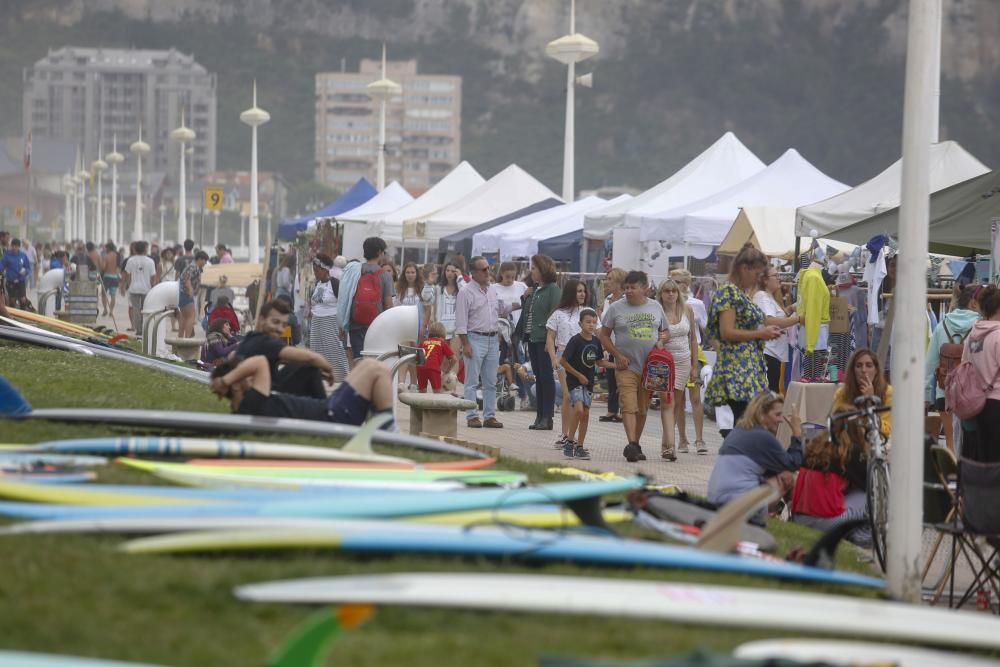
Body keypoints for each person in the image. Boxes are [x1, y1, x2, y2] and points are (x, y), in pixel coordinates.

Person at [705, 244, 780, 437]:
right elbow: (727, 332)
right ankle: (736, 459)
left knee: (748, 425)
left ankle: (736, 459)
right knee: (748, 425)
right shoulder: (728, 293)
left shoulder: (739, 294)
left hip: (747, 370)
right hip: (737, 371)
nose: (758, 280)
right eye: (757, 274)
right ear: (744, 268)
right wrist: (761, 334)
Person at [598, 270, 670, 463]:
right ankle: (632, 443)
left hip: (651, 367)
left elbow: (665, 332)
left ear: (644, 289)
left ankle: (635, 444)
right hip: (626, 366)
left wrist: (662, 340)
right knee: (628, 405)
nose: (628, 291)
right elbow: (603, 335)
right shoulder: (616, 308)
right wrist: (617, 355)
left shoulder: (656, 307)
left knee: (642, 409)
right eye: (626, 287)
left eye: (633, 287)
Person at [210, 355, 393, 428]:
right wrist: (225, 380)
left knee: (368, 364)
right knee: (378, 370)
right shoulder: (249, 404)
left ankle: (383, 427)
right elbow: (260, 362)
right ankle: (388, 431)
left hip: (329, 408)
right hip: (333, 417)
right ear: (235, 384)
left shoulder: (245, 405)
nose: (250, 376)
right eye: (243, 375)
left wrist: (227, 380)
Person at [707, 391, 804, 518]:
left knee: (779, 473)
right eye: (777, 415)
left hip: (717, 499)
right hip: (739, 505)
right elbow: (794, 463)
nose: (781, 420)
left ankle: (777, 514)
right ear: (761, 414)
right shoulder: (762, 436)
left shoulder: (739, 430)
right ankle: (799, 520)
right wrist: (797, 432)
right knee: (790, 477)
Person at [234, 298, 334, 399]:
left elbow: (294, 359)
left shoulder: (251, 337)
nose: (280, 329)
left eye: (284, 325)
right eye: (275, 322)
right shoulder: (265, 342)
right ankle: (326, 411)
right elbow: (312, 357)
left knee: (305, 366)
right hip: (264, 398)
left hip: (260, 391)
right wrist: (329, 369)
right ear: (262, 319)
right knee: (310, 368)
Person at [455, 256, 513, 428]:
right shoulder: (466, 292)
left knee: (490, 381)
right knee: (471, 381)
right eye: (484, 269)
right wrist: (465, 344)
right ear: (473, 273)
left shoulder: (492, 290)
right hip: (474, 338)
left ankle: (489, 416)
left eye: (488, 268)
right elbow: (461, 322)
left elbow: (502, 309)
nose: (488, 272)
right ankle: (472, 415)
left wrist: (522, 301)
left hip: (493, 339)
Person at [923, 284, 979, 452]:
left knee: (950, 442)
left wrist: (926, 397)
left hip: (945, 392)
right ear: (974, 303)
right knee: (971, 444)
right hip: (972, 394)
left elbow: (930, 364)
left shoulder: (941, 326)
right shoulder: (981, 326)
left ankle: (951, 476)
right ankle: (965, 475)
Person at [559, 308, 614, 460]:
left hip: (589, 382)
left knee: (586, 413)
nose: (591, 325)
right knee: (578, 410)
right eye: (588, 322)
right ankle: (570, 441)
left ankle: (580, 446)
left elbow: (599, 361)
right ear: (580, 323)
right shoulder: (575, 340)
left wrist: (617, 366)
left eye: (594, 322)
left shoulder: (596, 341)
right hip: (574, 381)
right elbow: (562, 361)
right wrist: (578, 375)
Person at [656, 278, 699, 460]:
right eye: (667, 291)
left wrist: (695, 365)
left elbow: (693, 339)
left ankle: (668, 443)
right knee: (667, 401)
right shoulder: (657, 312)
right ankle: (668, 445)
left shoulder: (687, 310)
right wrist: (661, 340)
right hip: (663, 361)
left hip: (683, 362)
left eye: (673, 291)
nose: (671, 294)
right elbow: (654, 339)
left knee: (676, 403)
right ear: (661, 294)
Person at [956, 286, 1000, 463]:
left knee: (982, 458)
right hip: (997, 402)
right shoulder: (998, 336)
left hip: (976, 405)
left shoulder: (973, 335)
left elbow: (964, 365)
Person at [519, 254, 561, 431]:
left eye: (534, 268)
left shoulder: (552, 289)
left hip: (544, 338)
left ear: (543, 269)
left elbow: (555, 314)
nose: (532, 271)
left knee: (546, 378)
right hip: (532, 337)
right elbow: (528, 313)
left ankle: (547, 416)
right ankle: (539, 415)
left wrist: (550, 339)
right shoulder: (535, 290)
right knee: (539, 377)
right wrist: (525, 297)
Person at [669, 268, 707, 451]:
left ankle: (700, 439)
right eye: (671, 281)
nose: (673, 286)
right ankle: (682, 438)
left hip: (694, 351)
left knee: (695, 397)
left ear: (686, 284)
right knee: (678, 400)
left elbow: (704, 327)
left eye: (676, 282)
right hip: (676, 353)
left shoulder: (695, 304)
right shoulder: (667, 304)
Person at [338, 237, 393, 359]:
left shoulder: (354, 271)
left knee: (358, 359)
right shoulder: (385, 275)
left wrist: (342, 324)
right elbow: (388, 305)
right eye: (384, 252)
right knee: (374, 360)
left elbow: (344, 297)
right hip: (376, 326)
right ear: (379, 252)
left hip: (355, 324)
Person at [548, 279, 587, 447]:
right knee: (568, 395)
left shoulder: (588, 311)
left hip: (583, 357)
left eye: (584, 291)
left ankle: (573, 435)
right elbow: (550, 337)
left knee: (580, 398)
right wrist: (553, 358)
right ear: (571, 293)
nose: (582, 294)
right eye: (579, 291)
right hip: (564, 354)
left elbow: (598, 332)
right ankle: (565, 434)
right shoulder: (558, 314)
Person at [753, 266, 800, 392]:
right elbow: (770, 321)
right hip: (768, 352)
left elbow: (775, 316)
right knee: (770, 392)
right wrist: (799, 319)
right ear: (765, 280)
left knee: (772, 389)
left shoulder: (768, 297)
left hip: (773, 353)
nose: (779, 279)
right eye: (775, 276)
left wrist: (789, 310)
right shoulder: (762, 296)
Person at [831, 348, 893, 441]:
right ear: (853, 370)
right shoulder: (842, 393)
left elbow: (887, 432)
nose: (864, 370)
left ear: (876, 370)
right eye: (859, 366)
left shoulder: (888, 392)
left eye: (869, 365)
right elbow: (836, 425)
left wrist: (870, 401)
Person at [308, 253, 349, 383]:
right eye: (314, 270)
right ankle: (320, 377)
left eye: (317, 270)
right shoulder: (317, 284)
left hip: (331, 321)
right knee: (317, 350)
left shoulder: (335, 284)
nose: (315, 273)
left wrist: (343, 326)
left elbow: (343, 304)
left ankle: (341, 378)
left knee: (334, 349)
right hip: (316, 322)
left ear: (325, 269)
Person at [598, 268, 626, 424]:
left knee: (621, 378)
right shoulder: (607, 299)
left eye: (610, 279)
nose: (607, 282)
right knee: (610, 377)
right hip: (609, 342)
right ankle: (612, 409)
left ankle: (622, 409)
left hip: (621, 343)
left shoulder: (625, 300)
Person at [121, 241, 157, 334]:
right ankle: (145, 328)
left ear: (134, 249)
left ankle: (139, 329)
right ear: (145, 249)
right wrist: (153, 287)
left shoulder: (131, 260)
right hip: (146, 289)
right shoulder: (150, 261)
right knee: (145, 309)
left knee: (136, 310)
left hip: (134, 288)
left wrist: (124, 286)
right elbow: (153, 277)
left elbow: (126, 274)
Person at [417, 321, 456, 393]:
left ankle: (421, 403)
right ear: (443, 334)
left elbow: (417, 354)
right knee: (437, 392)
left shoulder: (423, 342)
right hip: (433, 367)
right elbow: (454, 359)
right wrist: (448, 370)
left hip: (421, 367)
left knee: (422, 391)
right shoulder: (442, 342)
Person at [178, 250, 209, 338]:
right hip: (186, 293)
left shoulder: (194, 267)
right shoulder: (193, 267)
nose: (205, 263)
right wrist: (190, 289)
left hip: (182, 293)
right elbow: (187, 278)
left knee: (184, 316)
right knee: (191, 315)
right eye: (205, 260)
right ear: (199, 259)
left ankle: (180, 337)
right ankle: (187, 338)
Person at [1, 238, 31, 308]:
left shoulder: (23, 255)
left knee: (23, 299)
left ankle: (24, 313)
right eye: (13, 246)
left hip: (21, 280)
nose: (14, 248)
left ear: (19, 247)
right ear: (11, 246)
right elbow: (1, 265)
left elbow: (28, 267)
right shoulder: (7, 255)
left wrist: (26, 271)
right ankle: (13, 315)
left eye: (16, 246)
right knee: (12, 300)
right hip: (10, 281)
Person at [99, 242, 121, 317]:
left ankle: (105, 309)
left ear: (108, 248)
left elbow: (103, 267)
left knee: (103, 294)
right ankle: (111, 311)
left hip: (107, 276)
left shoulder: (106, 256)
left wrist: (101, 262)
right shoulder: (117, 256)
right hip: (115, 277)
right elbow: (119, 267)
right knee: (113, 295)